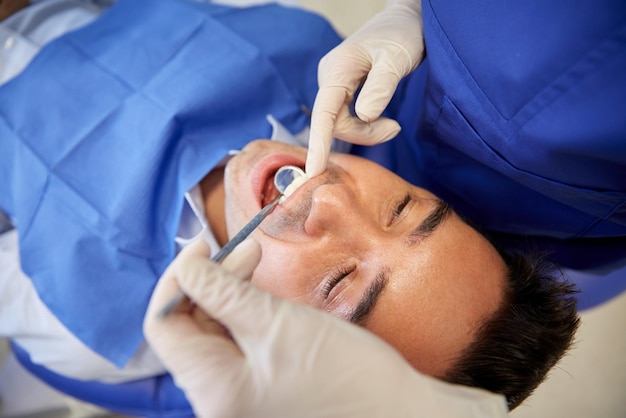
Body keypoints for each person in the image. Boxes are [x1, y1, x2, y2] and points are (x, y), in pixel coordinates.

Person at [1, 0, 578, 415]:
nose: (326, 195)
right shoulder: (316, 70)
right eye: (401, 209)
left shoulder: (88, 321)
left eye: (336, 283)